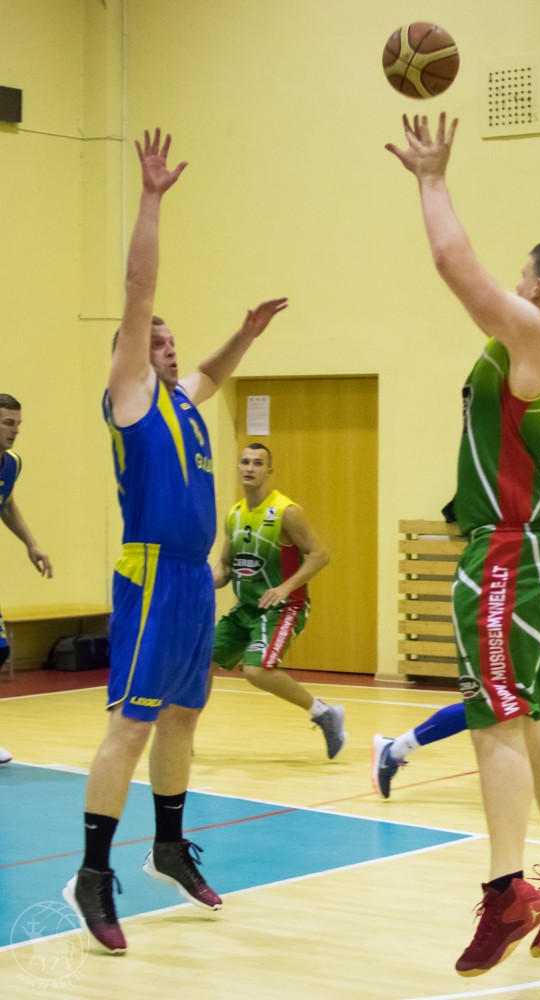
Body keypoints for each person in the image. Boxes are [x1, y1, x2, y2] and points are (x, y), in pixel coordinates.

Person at [387, 113, 540, 977]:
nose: (511, 288)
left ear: (539, 291)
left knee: (495, 718)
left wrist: (431, 178)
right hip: (535, 546)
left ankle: (506, 890)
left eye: (521, 278)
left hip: (509, 554)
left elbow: (453, 265)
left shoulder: (532, 338)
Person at [62, 129, 287, 955]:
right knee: (131, 725)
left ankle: (166, 846)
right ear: (129, 356)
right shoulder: (131, 397)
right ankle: (90, 874)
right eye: (155, 342)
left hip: (193, 580)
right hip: (153, 575)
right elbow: (138, 287)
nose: (168, 348)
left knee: (183, 719)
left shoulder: (184, 403)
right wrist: (152, 199)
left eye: (169, 342)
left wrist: (245, 333)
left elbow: (213, 374)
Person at [373, 452, 540, 801]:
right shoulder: (527, 509)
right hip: (505, 612)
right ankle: (396, 748)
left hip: (534, 617)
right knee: (500, 705)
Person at [208, 443, 345, 758]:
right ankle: (184, 731)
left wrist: (286, 586)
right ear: (238, 468)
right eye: (245, 462)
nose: (250, 468)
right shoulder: (234, 514)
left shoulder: (286, 511)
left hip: (284, 608)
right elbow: (225, 568)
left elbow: (320, 554)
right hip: (246, 608)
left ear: (269, 470)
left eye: (258, 463)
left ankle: (324, 713)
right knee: (203, 662)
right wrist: (196, 584)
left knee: (255, 671)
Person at [0, 393, 53, 763]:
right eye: (8, 423)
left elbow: (5, 503)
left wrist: (31, 543)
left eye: (18, 424)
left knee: (0, 649)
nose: (15, 431)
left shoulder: (12, 464)